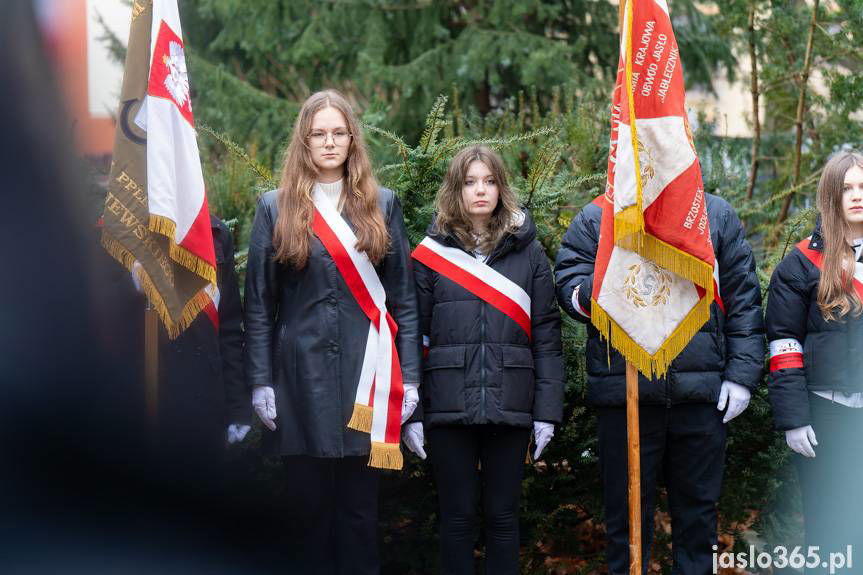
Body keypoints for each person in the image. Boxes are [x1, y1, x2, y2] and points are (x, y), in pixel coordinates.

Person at [243, 90, 420, 575]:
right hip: (299, 384)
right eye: (318, 134)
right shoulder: (273, 207)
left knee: (361, 515)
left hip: (368, 382)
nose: (328, 142)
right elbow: (258, 305)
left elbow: (403, 299)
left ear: (351, 140)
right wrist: (260, 382)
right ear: (304, 141)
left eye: (338, 133)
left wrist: (414, 383)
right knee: (309, 515)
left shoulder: (382, 204)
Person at [554, 191, 764, 574]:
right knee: (626, 521)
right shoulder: (596, 216)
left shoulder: (713, 214)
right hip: (625, 394)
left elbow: (744, 300)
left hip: (700, 397)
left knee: (698, 521)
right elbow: (569, 285)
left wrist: (741, 377)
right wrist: (593, 290)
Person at [403, 145, 564, 575]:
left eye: (489, 181)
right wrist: (413, 412)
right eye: (470, 182)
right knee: (455, 520)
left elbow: (547, 336)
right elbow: (411, 336)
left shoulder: (528, 253)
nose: (480, 191)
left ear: (501, 188)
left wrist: (546, 412)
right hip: (447, 405)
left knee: (503, 518)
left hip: (511, 402)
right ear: (455, 189)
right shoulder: (429, 255)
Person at [766, 151, 863, 571]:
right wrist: (794, 419)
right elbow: (783, 344)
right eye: (846, 188)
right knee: (828, 533)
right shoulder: (798, 266)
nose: (856, 196)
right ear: (830, 195)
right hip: (826, 416)